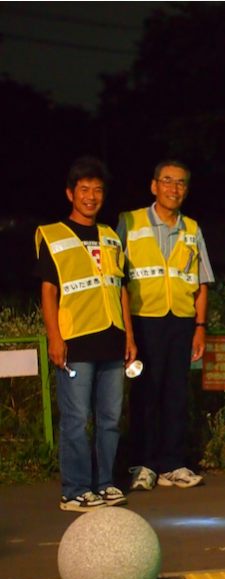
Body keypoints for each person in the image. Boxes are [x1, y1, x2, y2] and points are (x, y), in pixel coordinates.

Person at [35, 156, 137, 511]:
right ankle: (75, 489)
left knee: (110, 419)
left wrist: (130, 337)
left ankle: (105, 483)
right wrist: (54, 337)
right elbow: (49, 291)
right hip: (75, 340)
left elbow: (120, 288)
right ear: (70, 193)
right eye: (84, 190)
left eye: (97, 190)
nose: (91, 196)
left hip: (112, 339)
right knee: (77, 420)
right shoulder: (54, 235)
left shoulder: (111, 236)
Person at [116, 159, 215, 491]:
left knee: (176, 393)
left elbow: (201, 282)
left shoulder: (192, 228)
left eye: (181, 183)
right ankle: (143, 463)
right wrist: (127, 330)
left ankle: (173, 464)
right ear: (154, 185)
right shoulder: (129, 222)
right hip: (145, 320)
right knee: (145, 393)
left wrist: (200, 325)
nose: (174, 189)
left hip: (181, 321)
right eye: (168, 181)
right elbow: (116, 280)